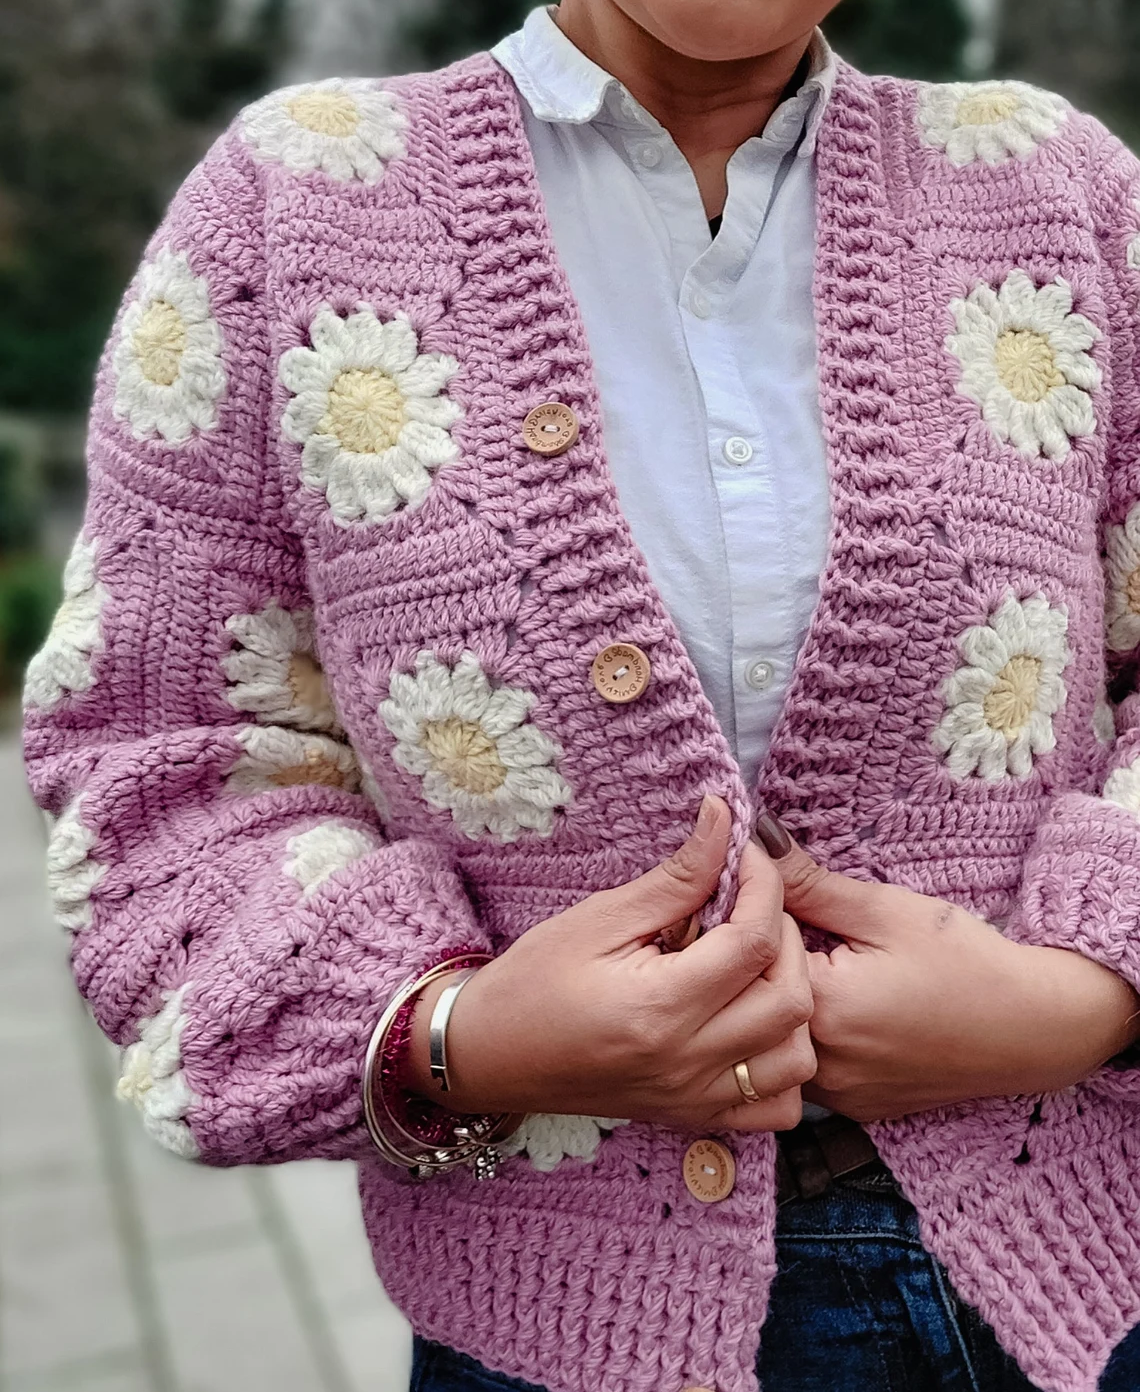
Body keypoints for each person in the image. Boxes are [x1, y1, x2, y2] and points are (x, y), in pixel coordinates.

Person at [21, 0, 1140, 1387]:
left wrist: (1093, 993)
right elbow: (162, 755)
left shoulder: (1061, 197)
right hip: (554, 1321)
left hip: (1072, 1286)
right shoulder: (293, 207)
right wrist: (457, 1036)